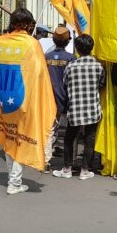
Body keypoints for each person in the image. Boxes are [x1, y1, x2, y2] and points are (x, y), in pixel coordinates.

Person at [53, 33, 105, 180]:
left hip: (74, 108)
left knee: (69, 138)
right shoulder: (98, 66)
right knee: (89, 139)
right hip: (92, 108)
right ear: (91, 48)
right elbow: (102, 84)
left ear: (77, 48)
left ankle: (67, 168)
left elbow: (65, 83)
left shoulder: (71, 66)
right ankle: (85, 170)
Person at [3, 9, 38, 195]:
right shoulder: (32, 44)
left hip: (3, 97)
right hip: (23, 96)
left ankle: (13, 178)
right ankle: (14, 182)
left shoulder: (2, 41)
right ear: (27, 24)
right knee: (20, 139)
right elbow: (38, 74)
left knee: (8, 137)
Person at [44, 25, 74, 172]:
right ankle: (69, 160)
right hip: (67, 97)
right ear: (67, 41)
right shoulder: (71, 58)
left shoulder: (46, 57)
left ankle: (46, 161)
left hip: (50, 97)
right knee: (71, 130)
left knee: (50, 129)